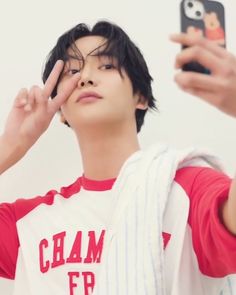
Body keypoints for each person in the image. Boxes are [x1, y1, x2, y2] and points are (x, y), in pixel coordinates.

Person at [0, 20, 236, 295]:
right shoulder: (30, 224)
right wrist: (10, 145)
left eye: (108, 65)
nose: (86, 78)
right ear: (60, 110)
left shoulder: (188, 192)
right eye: (73, 70)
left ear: (141, 97)